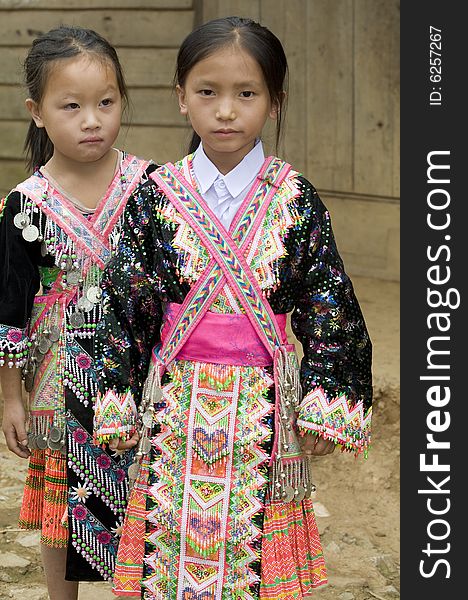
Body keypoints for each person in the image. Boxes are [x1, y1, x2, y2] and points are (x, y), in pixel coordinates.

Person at [93, 15, 373, 600]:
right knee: (170, 550)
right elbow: (125, 301)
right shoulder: (156, 194)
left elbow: (329, 300)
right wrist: (114, 394)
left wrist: (328, 395)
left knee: (256, 563)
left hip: (263, 411)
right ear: (180, 99)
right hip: (176, 408)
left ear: (275, 102)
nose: (226, 111)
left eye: (246, 94)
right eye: (207, 92)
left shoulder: (295, 198)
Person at [0, 25, 155, 600]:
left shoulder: (154, 187)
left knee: (144, 491)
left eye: (106, 103)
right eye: (72, 106)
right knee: (62, 498)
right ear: (36, 112)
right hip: (57, 380)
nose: (92, 119)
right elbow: (8, 308)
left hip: (141, 374)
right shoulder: (26, 205)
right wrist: (11, 396)